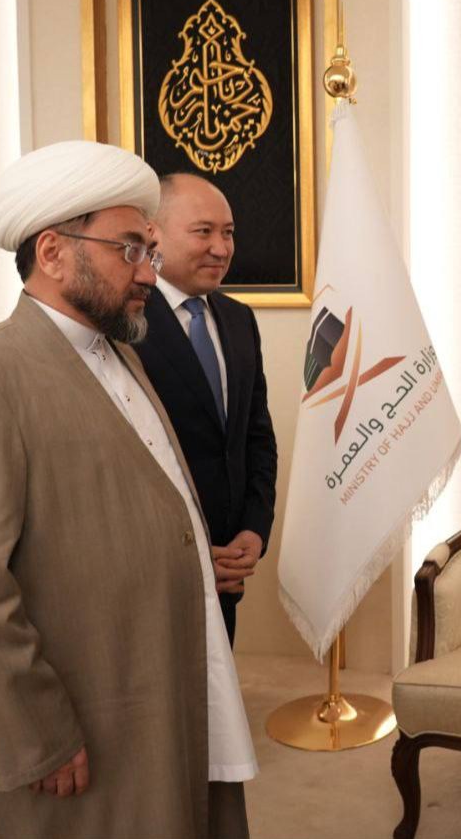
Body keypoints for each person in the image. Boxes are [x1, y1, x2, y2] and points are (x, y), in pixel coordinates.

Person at [0, 141, 256, 838]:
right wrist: (36, 731)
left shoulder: (123, 353)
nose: (148, 272)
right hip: (83, 713)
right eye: (130, 249)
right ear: (53, 252)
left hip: (159, 683)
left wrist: (191, 555)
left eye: (150, 250)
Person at [135, 172, 278, 645]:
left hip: (228, 569)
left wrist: (254, 529)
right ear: (153, 233)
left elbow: (256, 437)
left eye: (229, 233)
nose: (221, 248)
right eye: (203, 232)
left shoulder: (238, 320)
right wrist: (187, 556)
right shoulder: (124, 323)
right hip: (153, 575)